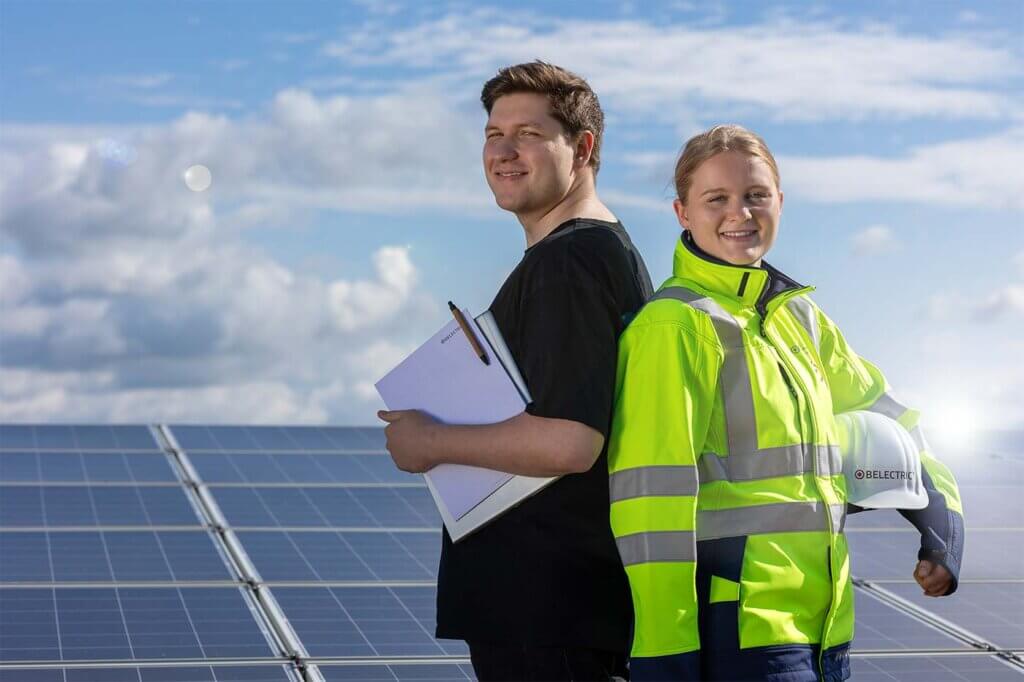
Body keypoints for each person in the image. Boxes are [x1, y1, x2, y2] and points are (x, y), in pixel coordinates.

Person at [607, 124, 964, 681]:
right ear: (682, 212)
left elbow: (891, 418)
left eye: (755, 196)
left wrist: (941, 523)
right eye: (716, 199)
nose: (740, 214)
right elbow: (650, 505)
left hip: (823, 630)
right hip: (740, 633)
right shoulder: (675, 326)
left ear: (779, 201)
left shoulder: (801, 320)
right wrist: (664, 653)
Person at [379, 61, 653, 681]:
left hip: (550, 613)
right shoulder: (596, 253)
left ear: (582, 148)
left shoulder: (571, 262)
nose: (503, 151)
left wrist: (430, 441)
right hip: (562, 611)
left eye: (527, 134)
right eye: (492, 134)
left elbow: (572, 440)